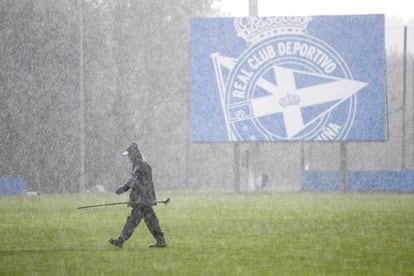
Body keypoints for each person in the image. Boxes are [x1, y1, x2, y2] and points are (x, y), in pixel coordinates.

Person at [109, 143, 166, 249]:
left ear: (134, 154)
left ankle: (121, 240)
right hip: (144, 198)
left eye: (129, 155)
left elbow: (134, 181)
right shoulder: (140, 164)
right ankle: (160, 240)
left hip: (142, 199)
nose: (128, 157)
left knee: (134, 220)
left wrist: (123, 188)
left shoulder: (140, 165)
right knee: (149, 220)